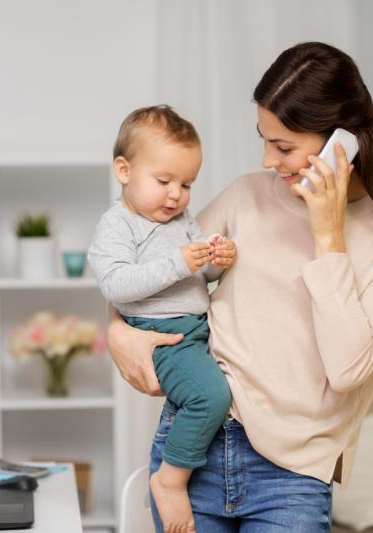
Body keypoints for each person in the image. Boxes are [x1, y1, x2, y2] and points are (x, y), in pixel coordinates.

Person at [107, 42, 373, 532]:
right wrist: (116, 332)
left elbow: (348, 369)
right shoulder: (245, 197)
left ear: (344, 140)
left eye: (284, 146)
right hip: (194, 451)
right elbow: (142, 271)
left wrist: (328, 233)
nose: (268, 160)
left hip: (293, 476)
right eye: (265, 139)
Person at [88, 105, 237, 533]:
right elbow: (116, 285)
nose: (176, 195)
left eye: (187, 184)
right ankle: (171, 480)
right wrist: (180, 263)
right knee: (209, 397)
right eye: (164, 181)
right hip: (163, 335)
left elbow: (199, 276)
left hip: (196, 326)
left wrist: (218, 260)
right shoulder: (117, 225)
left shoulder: (182, 220)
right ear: (124, 170)